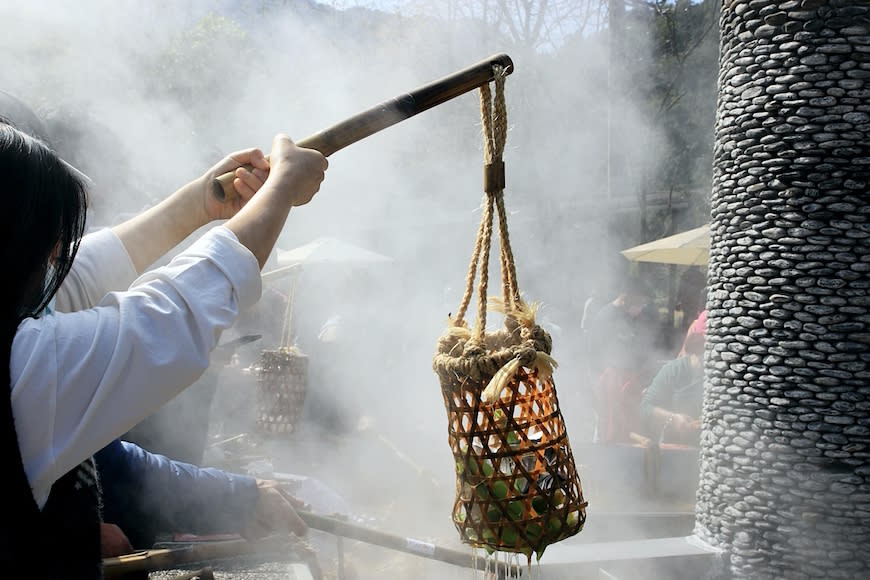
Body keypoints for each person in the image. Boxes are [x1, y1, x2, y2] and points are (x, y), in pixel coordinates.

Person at [1, 107, 327, 577]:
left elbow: (84, 271)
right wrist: (280, 191)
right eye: (48, 245)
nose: (58, 258)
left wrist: (203, 202)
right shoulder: (23, 372)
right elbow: (170, 317)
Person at [582, 277, 661, 443]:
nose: (641, 306)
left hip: (625, 382)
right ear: (626, 297)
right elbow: (593, 353)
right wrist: (602, 381)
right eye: (639, 301)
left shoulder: (630, 317)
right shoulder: (605, 316)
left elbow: (636, 348)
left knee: (625, 425)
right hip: (608, 381)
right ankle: (603, 457)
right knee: (606, 425)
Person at [639, 331, 705, 446]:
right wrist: (674, 418)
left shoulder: (717, 374)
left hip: (705, 445)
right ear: (696, 352)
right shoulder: (673, 371)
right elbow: (645, 407)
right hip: (673, 442)